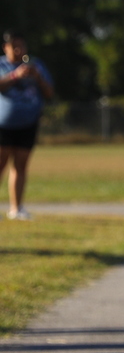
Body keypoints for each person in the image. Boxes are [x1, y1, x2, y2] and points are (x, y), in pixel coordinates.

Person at [0, 31, 54, 220]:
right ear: (5, 47)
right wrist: (15, 76)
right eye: (14, 46)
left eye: (21, 46)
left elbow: (49, 92)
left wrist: (37, 77)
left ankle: (17, 208)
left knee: (21, 165)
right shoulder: (2, 64)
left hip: (28, 123)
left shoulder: (35, 64)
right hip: (3, 124)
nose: (18, 50)